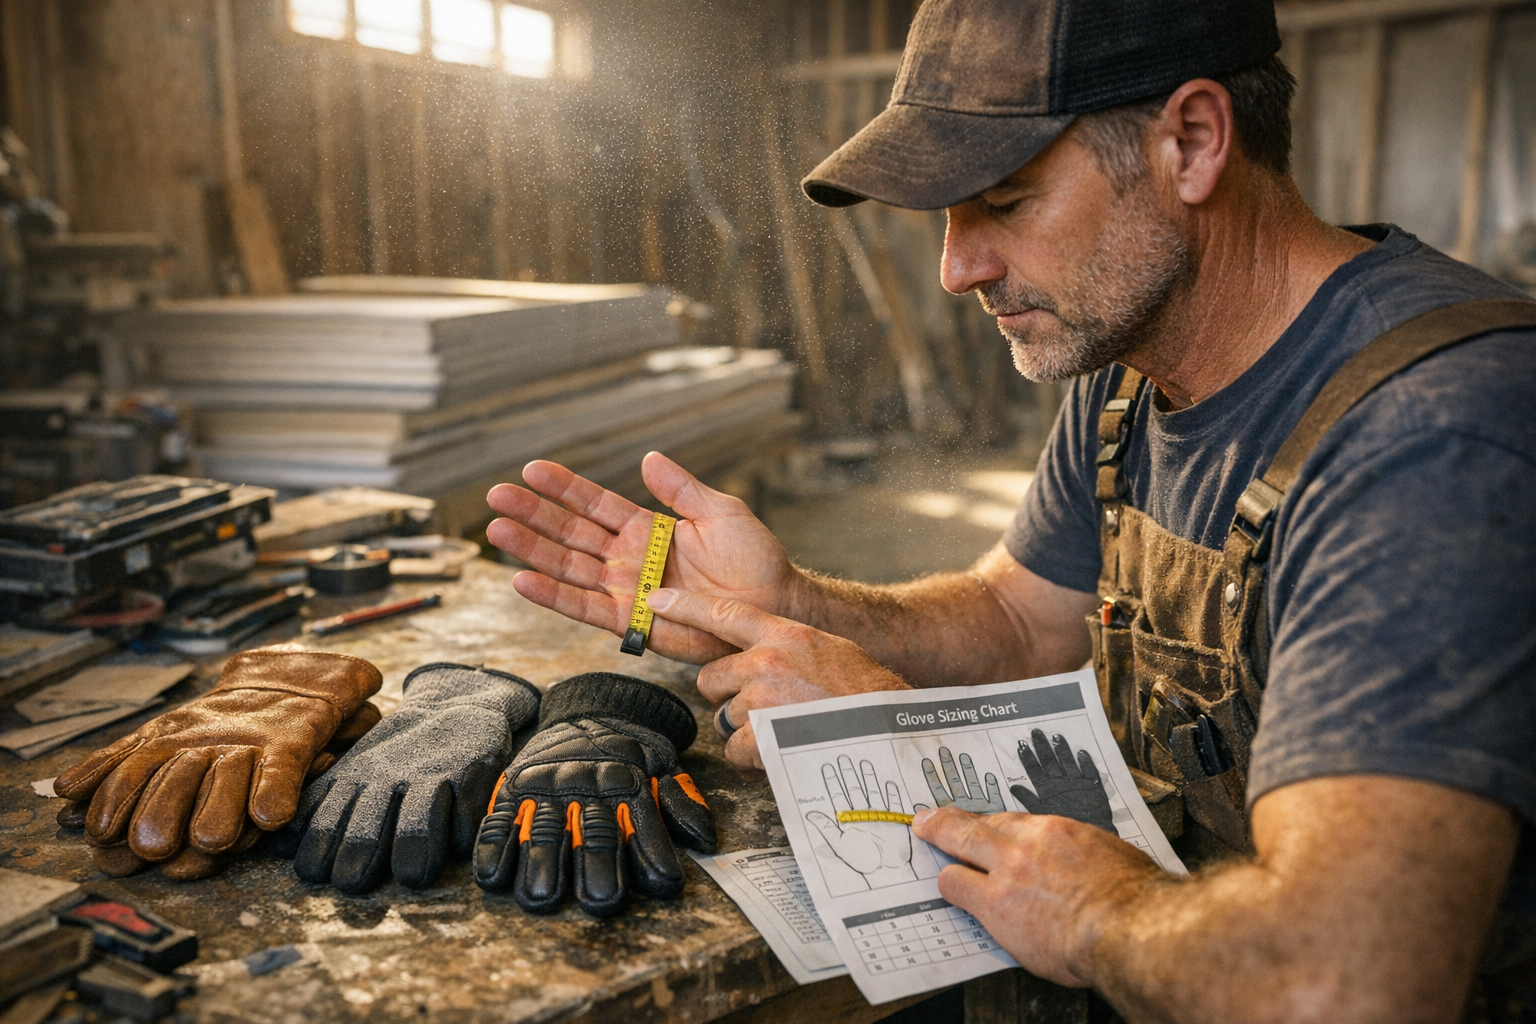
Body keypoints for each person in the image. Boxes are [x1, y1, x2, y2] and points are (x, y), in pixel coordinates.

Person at [484, 0, 1536, 1019]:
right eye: (947, 217)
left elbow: (1343, 984)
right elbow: (1022, 621)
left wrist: (1097, 907)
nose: (957, 268)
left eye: (1005, 201)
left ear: (1195, 141)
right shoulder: (1132, 370)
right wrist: (797, 603)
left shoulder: (1431, 434)